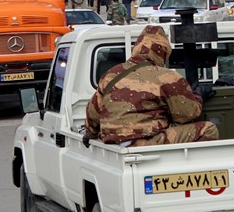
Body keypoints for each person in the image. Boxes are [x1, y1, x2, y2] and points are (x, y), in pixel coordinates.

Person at [85, 25, 219, 146]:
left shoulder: (111, 74)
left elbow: (93, 114)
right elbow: (187, 114)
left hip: (113, 145)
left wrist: (89, 135)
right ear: (163, 53)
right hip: (147, 144)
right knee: (209, 129)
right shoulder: (166, 77)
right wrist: (198, 96)